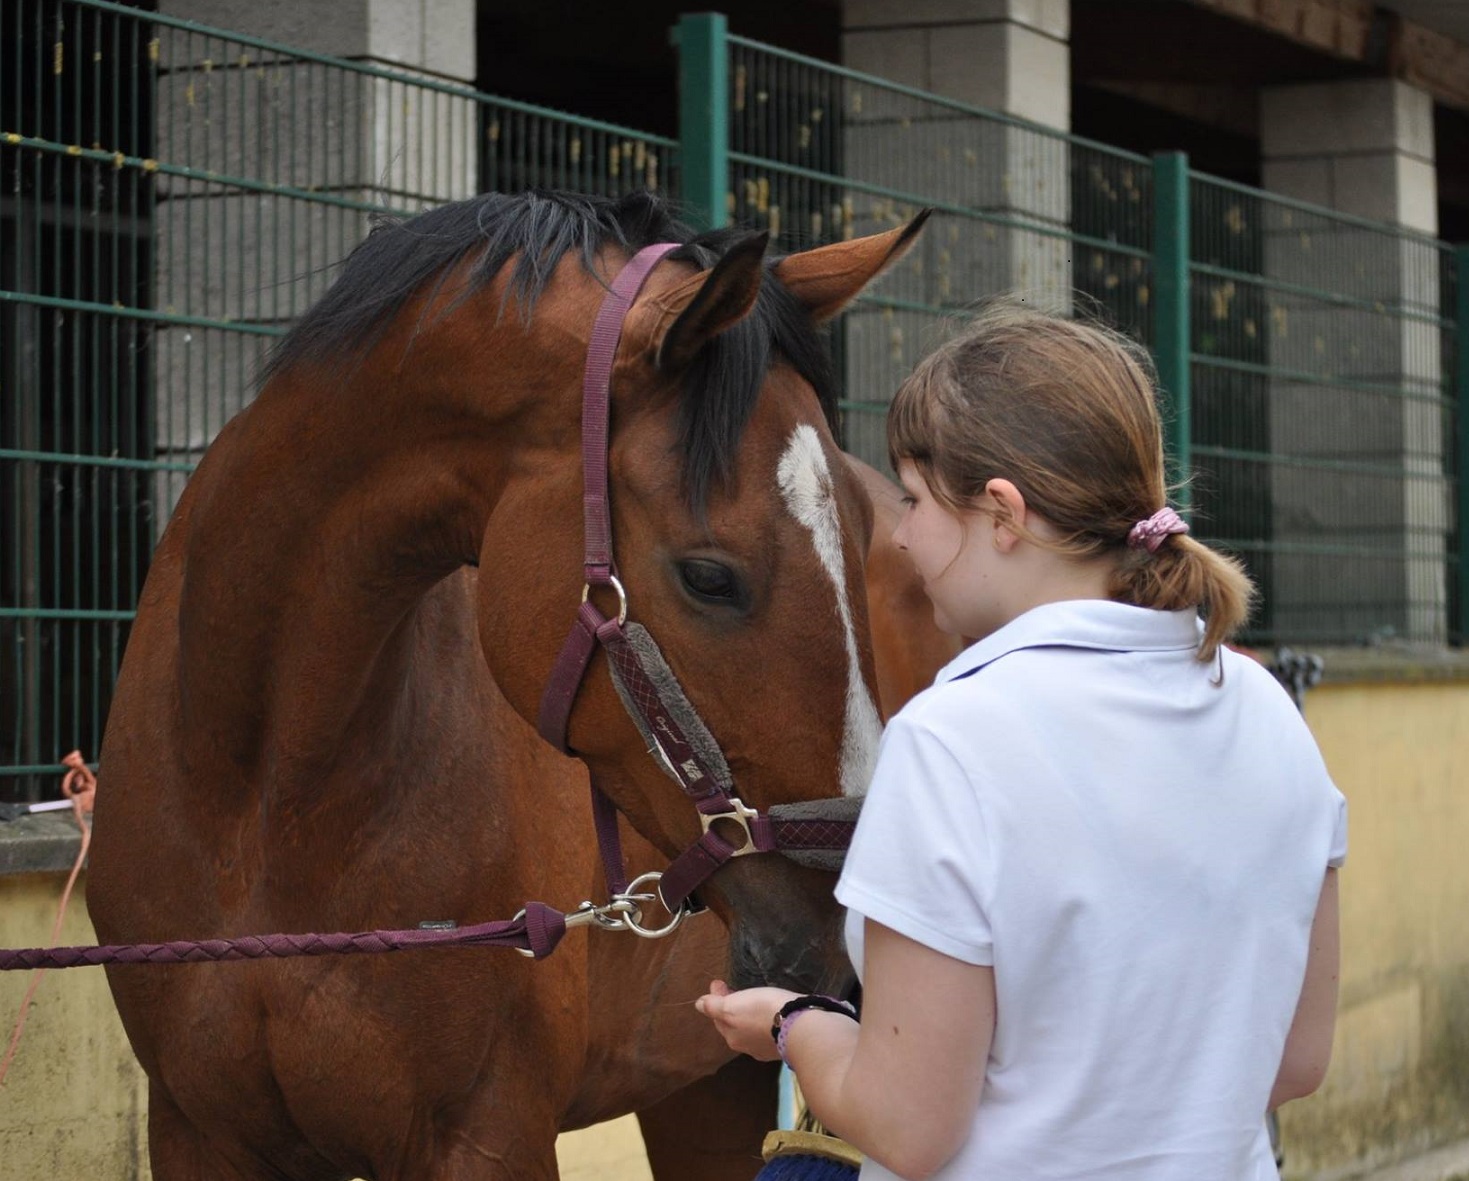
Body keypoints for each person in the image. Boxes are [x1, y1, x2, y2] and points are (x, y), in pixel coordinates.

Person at [696, 304, 1345, 1181]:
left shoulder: (953, 738)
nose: (899, 533)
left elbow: (906, 1123)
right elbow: (1293, 1061)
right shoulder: (1268, 711)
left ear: (1002, 512)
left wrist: (792, 1025)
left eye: (916, 499)